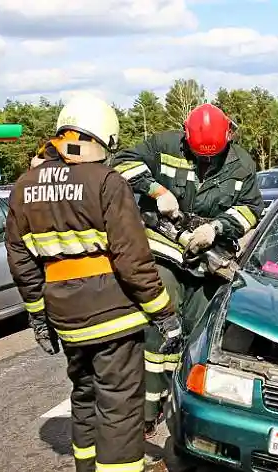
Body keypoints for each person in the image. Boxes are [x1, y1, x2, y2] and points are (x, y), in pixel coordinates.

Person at [4, 93, 183, 472]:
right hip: (113, 315)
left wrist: (37, 314)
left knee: (83, 398)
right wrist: (163, 312)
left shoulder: (25, 186)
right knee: (119, 405)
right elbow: (132, 259)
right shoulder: (106, 182)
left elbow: (19, 258)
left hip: (65, 317)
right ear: (100, 137)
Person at [107, 103, 264, 437]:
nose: (206, 162)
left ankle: (184, 407)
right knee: (160, 328)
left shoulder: (242, 163)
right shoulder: (164, 145)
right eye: (199, 155)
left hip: (207, 263)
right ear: (186, 136)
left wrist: (217, 228)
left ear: (229, 135)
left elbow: (251, 209)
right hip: (164, 253)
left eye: (213, 155)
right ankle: (147, 411)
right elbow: (120, 162)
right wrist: (156, 190)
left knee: (197, 335)